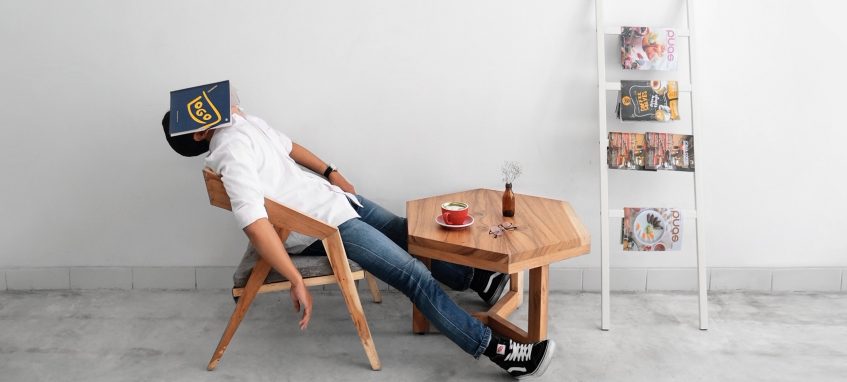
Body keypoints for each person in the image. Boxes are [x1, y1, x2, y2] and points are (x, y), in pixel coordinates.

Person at [160, 98, 556, 379]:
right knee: (414, 276)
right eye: (197, 109)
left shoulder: (241, 123)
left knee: (407, 230)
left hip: (332, 200)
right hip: (322, 227)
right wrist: (295, 279)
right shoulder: (229, 153)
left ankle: (476, 280)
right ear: (198, 135)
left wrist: (333, 172)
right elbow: (254, 223)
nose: (210, 100)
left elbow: (289, 147)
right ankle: (499, 351)